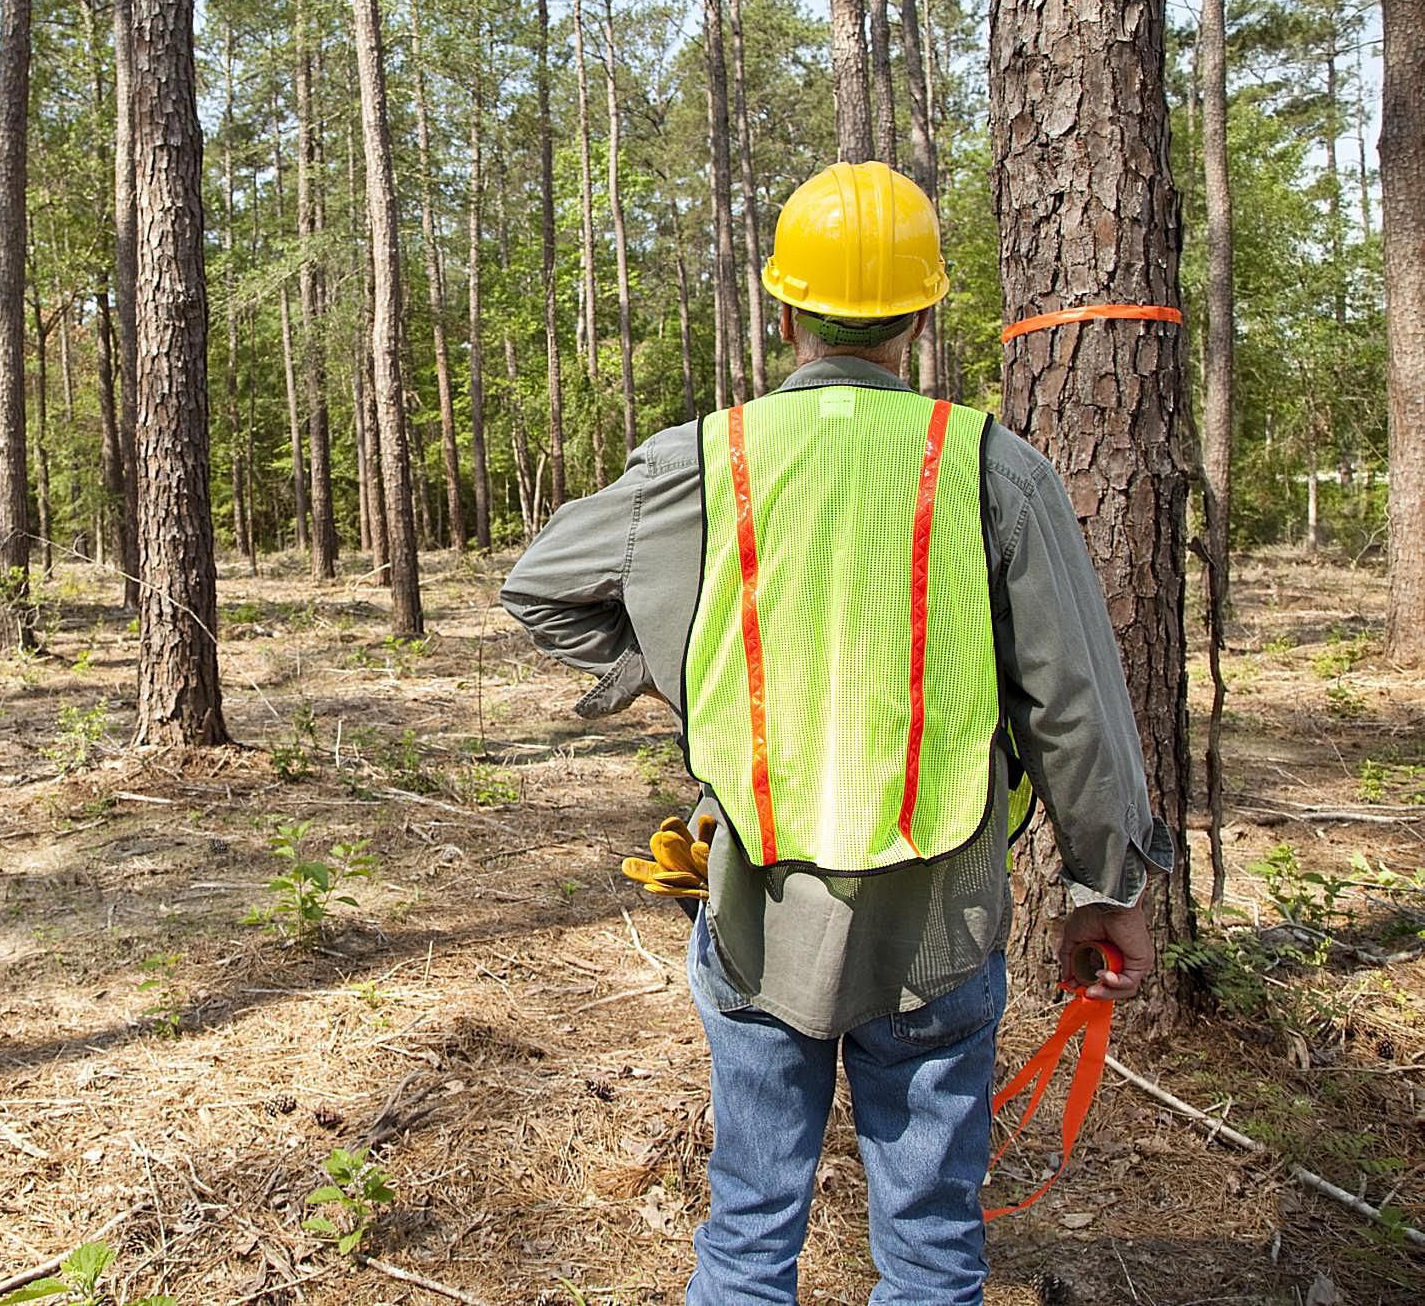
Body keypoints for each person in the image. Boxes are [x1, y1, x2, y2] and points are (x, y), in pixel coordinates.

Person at [498, 162, 1171, 1305]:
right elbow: (1074, 703)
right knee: (928, 1242)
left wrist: (685, 677)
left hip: (757, 901)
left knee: (750, 1224)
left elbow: (544, 585)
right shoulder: (991, 469)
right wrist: (1107, 886)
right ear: (921, 312)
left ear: (783, 309)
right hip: (942, 916)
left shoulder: (701, 461)